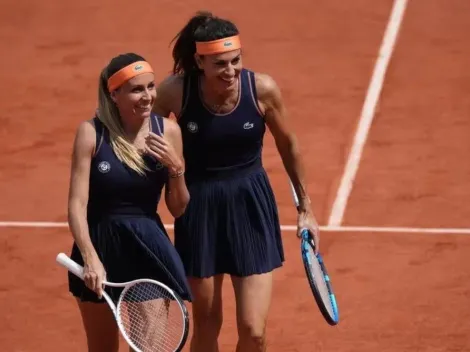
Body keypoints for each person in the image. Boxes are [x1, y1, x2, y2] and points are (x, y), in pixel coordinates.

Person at [150, 11, 320, 352]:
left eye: (235, 61)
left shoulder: (262, 89)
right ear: (199, 61)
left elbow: (289, 145)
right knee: (208, 324)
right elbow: (143, 141)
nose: (230, 71)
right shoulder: (174, 93)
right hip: (200, 209)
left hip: (250, 205)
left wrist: (306, 208)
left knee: (254, 331)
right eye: (220, 64)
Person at [67, 52, 192, 352]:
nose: (148, 96)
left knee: (152, 348)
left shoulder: (169, 132)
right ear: (114, 94)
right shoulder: (91, 134)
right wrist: (90, 257)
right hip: (100, 245)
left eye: (151, 86)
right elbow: (77, 204)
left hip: (146, 248)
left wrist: (177, 168)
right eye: (137, 89)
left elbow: (178, 208)